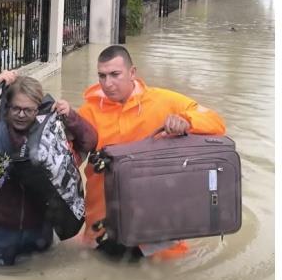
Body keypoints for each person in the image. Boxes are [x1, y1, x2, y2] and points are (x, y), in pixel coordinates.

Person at [77, 45, 226, 259]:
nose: (108, 84)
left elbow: (216, 122)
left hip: (157, 232)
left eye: (115, 75)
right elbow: (68, 157)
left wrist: (186, 121)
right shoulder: (87, 112)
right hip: (103, 229)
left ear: (132, 73)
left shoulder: (164, 101)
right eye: (102, 76)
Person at [0, 70, 97, 266]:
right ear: (7, 106)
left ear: (38, 108)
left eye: (29, 110)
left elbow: (90, 141)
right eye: (16, 109)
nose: (22, 115)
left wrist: (71, 116)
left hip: (38, 232)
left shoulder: (52, 125)